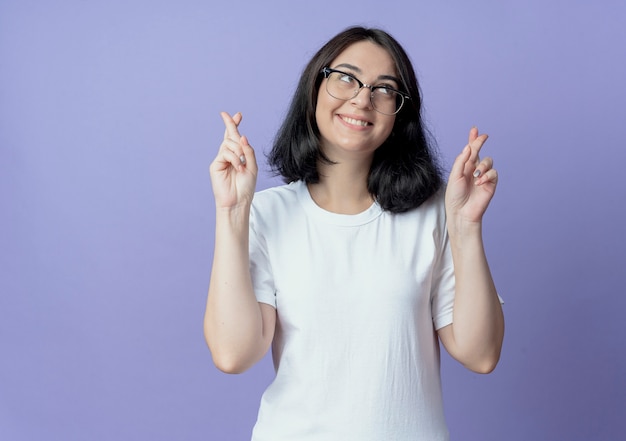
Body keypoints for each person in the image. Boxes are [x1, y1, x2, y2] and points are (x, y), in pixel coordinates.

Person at [204, 26, 504, 441]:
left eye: (384, 89)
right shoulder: (266, 213)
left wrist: (467, 225)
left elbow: (481, 354)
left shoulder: (436, 211)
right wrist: (232, 212)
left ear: (399, 115)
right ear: (315, 87)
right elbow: (234, 353)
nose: (362, 98)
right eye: (346, 77)